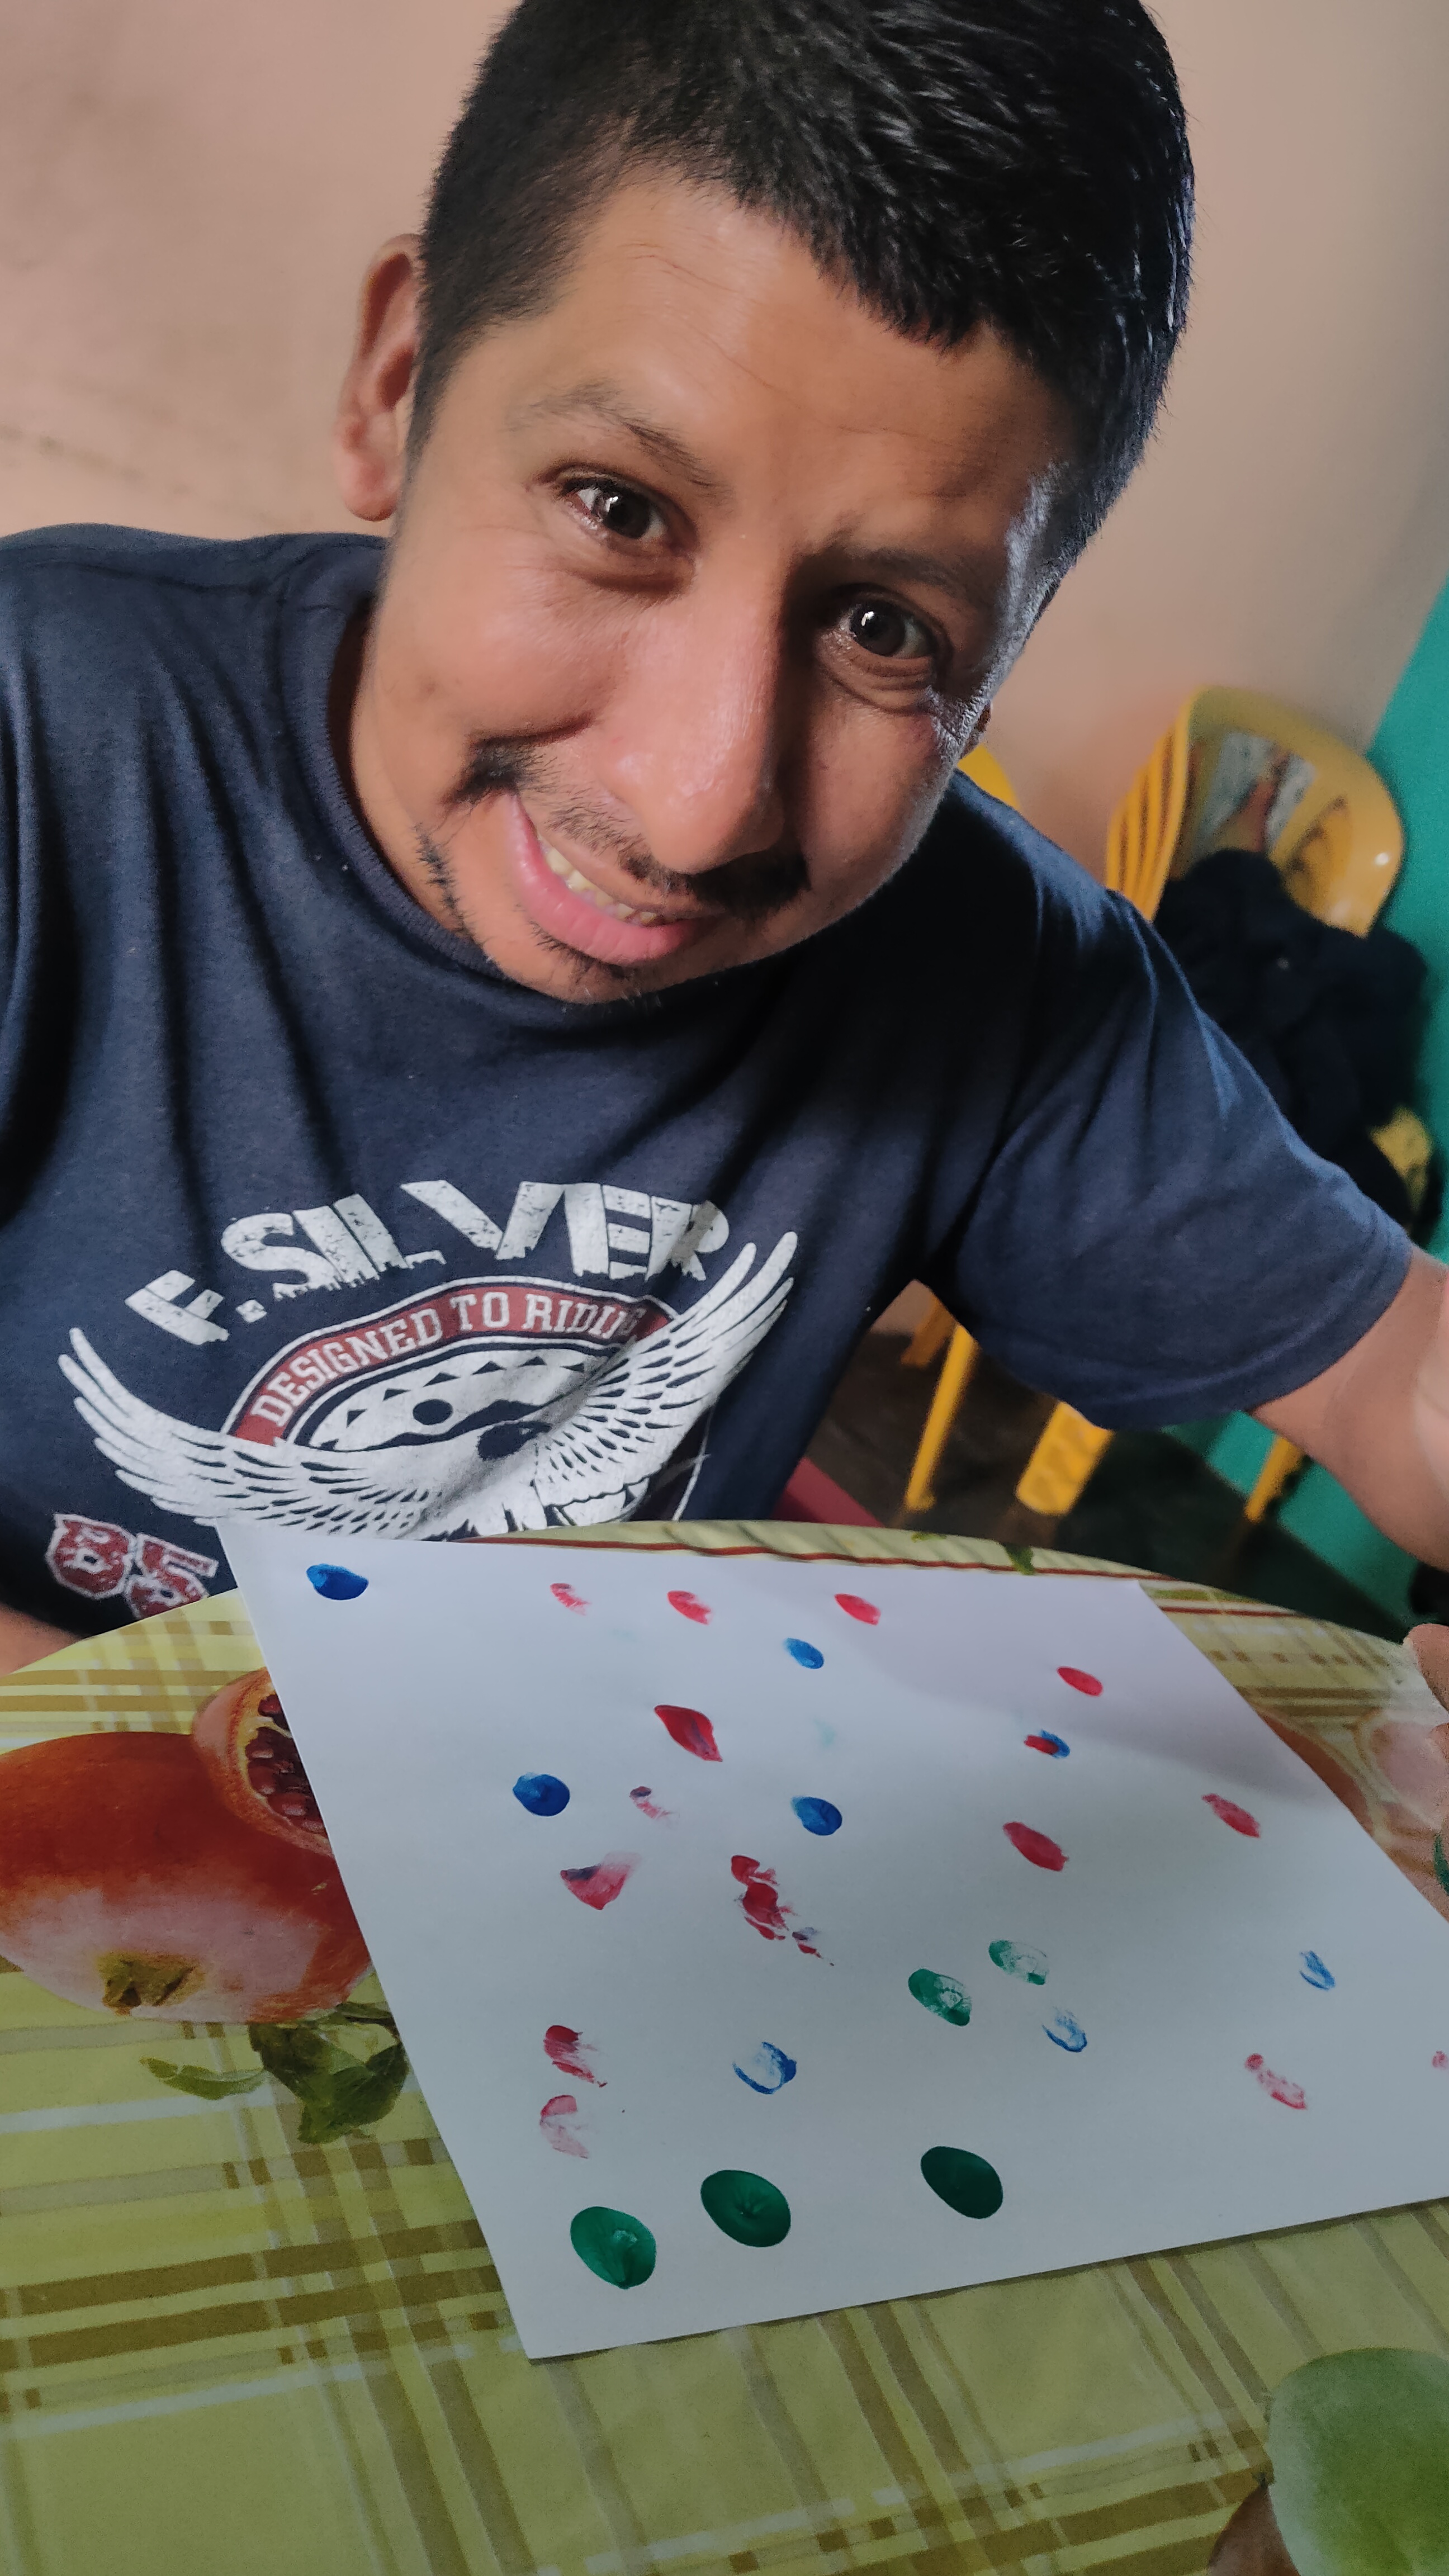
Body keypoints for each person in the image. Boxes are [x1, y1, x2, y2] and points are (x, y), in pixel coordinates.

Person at [3, 0, 1449, 1692]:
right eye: (616, 510)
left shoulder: (991, 973)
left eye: (886, 630)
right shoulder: (42, 738)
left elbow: (1395, 1372)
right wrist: (229, 1802)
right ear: (399, 387)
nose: (697, 809)